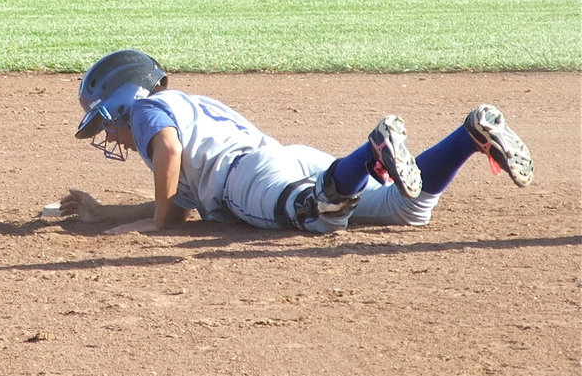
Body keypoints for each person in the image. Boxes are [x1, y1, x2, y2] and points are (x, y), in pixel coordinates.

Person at [59, 50, 534, 234]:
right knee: (404, 209)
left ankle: (372, 154)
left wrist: (158, 225)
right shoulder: (190, 111)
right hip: (282, 161)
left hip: (246, 179)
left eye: (106, 124)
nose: (112, 137)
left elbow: (166, 149)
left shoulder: (147, 112)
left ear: (122, 102)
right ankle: (468, 136)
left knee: (315, 215)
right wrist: (105, 214)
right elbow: (175, 205)